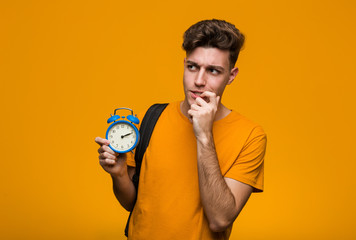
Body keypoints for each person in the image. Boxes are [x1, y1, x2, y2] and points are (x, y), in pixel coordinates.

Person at [95, 19, 267, 240]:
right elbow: (132, 203)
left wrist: (204, 135)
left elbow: (220, 219)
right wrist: (118, 175)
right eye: (192, 67)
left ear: (231, 76)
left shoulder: (251, 135)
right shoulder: (153, 117)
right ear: (185, 64)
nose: (199, 80)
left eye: (213, 71)